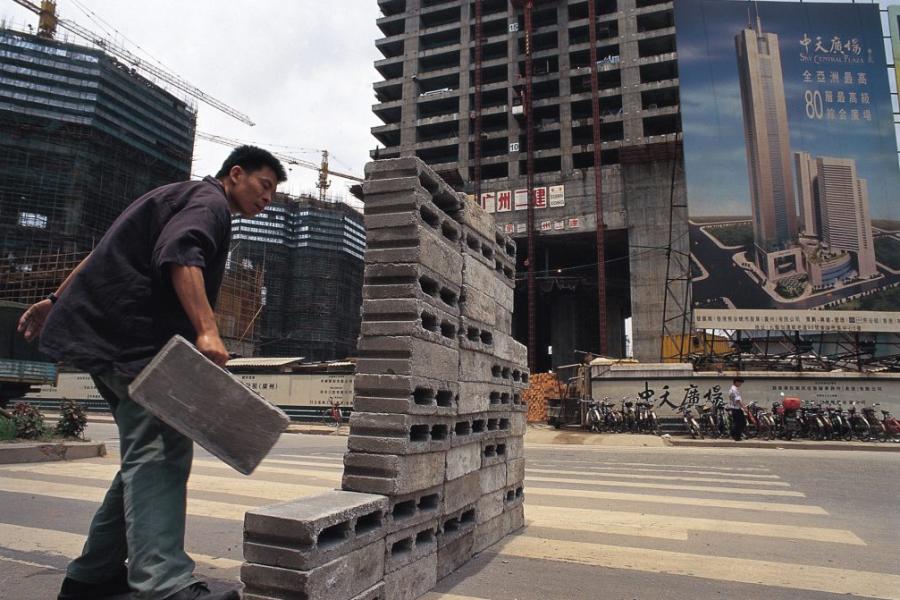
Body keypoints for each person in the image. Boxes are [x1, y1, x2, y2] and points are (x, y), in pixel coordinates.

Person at [18, 146, 287, 600]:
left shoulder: (173, 195)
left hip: (105, 340)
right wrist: (207, 329)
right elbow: (182, 251)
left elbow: (102, 251)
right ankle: (165, 586)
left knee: (144, 458)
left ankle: (93, 576)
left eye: (274, 193)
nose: (268, 199)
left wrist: (55, 300)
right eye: (264, 186)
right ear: (235, 174)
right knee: (161, 450)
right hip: (133, 344)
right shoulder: (210, 203)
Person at [728, 377, 747, 441]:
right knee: (741, 423)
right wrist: (744, 407)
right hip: (736, 408)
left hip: (735, 408)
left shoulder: (732, 389)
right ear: (736, 382)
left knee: (737, 423)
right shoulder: (734, 390)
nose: (740, 384)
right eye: (740, 382)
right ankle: (736, 436)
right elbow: (738, 400)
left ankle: (733, 435)